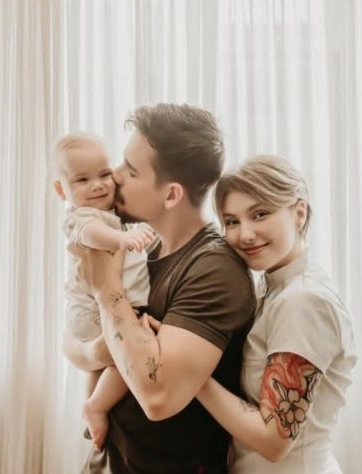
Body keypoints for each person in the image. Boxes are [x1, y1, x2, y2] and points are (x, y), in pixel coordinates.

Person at [63, 104, 256, 473]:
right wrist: (96, 350)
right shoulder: (140, 246)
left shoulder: (215, 271)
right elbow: (72, 337)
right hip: (110, 459)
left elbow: (158, 397)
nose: (114, 175)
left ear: (171, 195)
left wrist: (106, 292)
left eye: (130, 170)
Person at [193, 155, 357, 473]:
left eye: (260, 214)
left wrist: (189, 375)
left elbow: (273, 440)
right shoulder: (269, 289)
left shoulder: (303, 301)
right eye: (232, 221)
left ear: (299, 213)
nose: (245, 234)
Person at [52, 133, 155, 449]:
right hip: (92, 310)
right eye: (82, 180)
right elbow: (90, 233)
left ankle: (91, 408)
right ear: (62, 190)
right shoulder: (83, 217)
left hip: (97, 308)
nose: (97, 185)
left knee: (100, 365)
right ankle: (96, 406)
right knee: (123, 359)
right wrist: (120, 239)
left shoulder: (114, 215)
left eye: (104, 174)